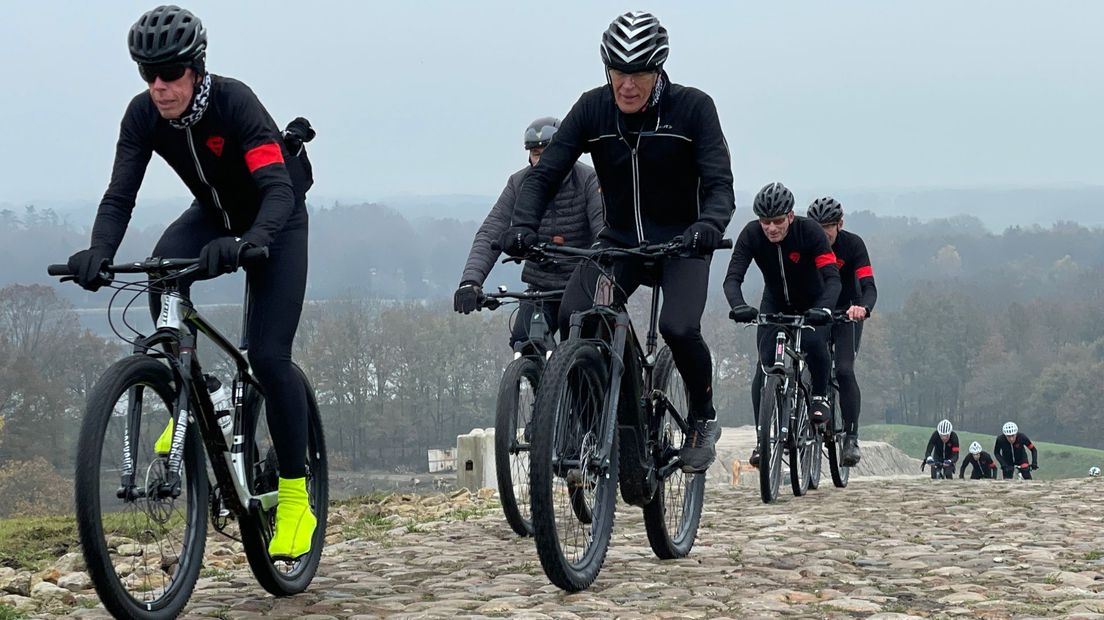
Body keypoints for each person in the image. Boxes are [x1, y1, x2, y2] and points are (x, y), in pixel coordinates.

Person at [64, 5, 316, 560]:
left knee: (270, 360)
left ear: (196, 68)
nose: (159, 86)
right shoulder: (142, 116)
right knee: (160, 272)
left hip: (276, 219)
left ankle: (296, 497)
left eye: (170, 73)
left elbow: (277, 188)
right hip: (214, 215)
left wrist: (252, 240)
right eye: (147, 74)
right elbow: (119, 195)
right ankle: (197, 396)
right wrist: (99, 253)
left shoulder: (235, 102)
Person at [498, 11, 735, 473]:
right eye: (619, 73)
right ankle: (596, 422)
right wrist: (522, 225)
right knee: (576, 313)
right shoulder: (593, 108)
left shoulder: (693, 108)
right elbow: (546, 173)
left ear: (659, 69)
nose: (628, 85)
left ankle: (703, 418)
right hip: (620, 242)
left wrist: (709, 223)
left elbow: (719, 183)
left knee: (679, 328)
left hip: (682, 242)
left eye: (639, 73)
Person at [454, 117, 603, 348]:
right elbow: (491, 230)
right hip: (540, 288)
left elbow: (603, 229)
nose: (543, 160)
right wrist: (470, 281)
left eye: (549, 151)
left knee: (586, 349)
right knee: (524, 343)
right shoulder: (518, 183)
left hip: (582, 285)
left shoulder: (588, 180)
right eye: (536, 153)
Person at [726, 183, 842, 467]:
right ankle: (761, 439)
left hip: (813, 301)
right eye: (766, 222)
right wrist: (738, 306)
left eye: (778, 221)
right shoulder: (751, 235)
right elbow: (733, 278)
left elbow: (832, 278)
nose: (772, 228)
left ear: (790, 216)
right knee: (763, 366)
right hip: (775, 302)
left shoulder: (810, 232)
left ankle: (819, 396)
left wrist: (825, 308)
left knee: (815, 343)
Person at [805, 197, 876, 466]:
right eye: (816, 227)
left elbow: (869, 285)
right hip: (817, 311)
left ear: (840, 224)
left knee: (844, 370)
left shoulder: (853, 245)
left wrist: (863, 308)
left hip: (847, 312)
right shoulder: (806, 245)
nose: (822, 233)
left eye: (827, 227)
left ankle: (851, 436)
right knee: (811, 362)